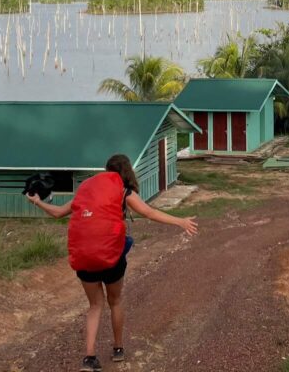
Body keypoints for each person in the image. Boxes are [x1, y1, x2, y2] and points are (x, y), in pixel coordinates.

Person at [27, 154, 198, 371]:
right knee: (115, 301)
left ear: (106, 170)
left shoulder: (86, 190)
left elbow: (58, 212)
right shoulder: (124, 191)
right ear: (126, 171)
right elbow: (148, 212)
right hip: (110, 258)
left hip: (83, 258)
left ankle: (89, 359)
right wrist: (180, 221)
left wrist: (38, 202)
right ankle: (118, 349)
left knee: (94, 306)